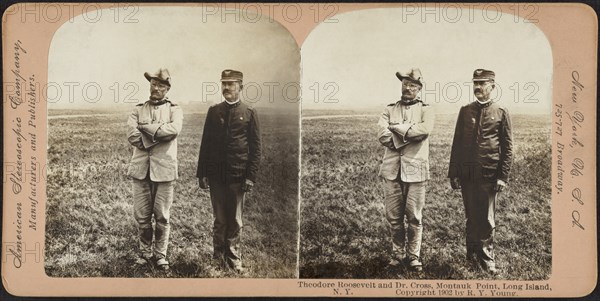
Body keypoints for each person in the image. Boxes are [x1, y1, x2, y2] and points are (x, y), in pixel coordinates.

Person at [448, 68, 513, 274]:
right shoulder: (465, 110)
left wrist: (502, 176)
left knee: (486, 218)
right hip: (467, 175)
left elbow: (508, 146)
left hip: (489, 175)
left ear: (492, 86)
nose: (477, 87)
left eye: (482, 83)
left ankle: (487, 261)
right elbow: (457, 144)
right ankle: (471, 257)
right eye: (475, 83)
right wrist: (454, 173)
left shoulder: (501, 112)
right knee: (471, 217)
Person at [196, 69, 262, 273]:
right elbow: (205, 144)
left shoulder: (249, 113)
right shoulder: (214, 111)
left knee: (235, 220)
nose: (226, 88)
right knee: (219, 220)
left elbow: (256, 148)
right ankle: (217, 258)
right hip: (216, 176)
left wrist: (250, 176)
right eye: (224, 83)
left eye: (231, 84)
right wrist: (202, 173)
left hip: (238, 176)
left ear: (240, 87)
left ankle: (233, 259)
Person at [377, 68, 434, 272]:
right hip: (392, 170)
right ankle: (397, 255)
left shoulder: (426, 109)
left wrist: (397, 130)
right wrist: (408, 134)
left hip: (416, 171)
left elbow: (424, 131)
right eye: (404, 84)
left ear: (419, 89)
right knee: (394, 217)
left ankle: (413, 257)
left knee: (414, 217)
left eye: (412, 85)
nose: (407, 88)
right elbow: (381, 134)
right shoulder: (389, 109)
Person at [126, 68, 183, 270]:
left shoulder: (175, 109)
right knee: (142, 217)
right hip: (141, 170)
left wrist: (146, 130)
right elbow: (131, 135)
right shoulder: (137, 109)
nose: (155, 88)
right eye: (153, 84)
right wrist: (157, 136)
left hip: (165, 171)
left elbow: (173, 130)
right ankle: (145, 253)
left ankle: (160, 256)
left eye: (160, 85)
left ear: (167, 89)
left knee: (162, 216)